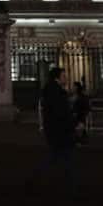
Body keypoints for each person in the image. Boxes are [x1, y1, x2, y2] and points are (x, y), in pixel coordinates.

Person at [25, 67, 78, 197]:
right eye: (64, 76)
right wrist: (72, 124)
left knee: (57, 157)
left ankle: (36, 178)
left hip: (55, 129)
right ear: (57, 77)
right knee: (64, 157)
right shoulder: (57, 92)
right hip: (60, 130)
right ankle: (71, 187)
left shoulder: (51, 90)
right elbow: (61, 112)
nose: (66, 78)